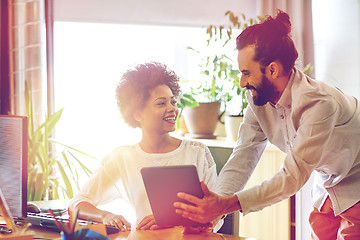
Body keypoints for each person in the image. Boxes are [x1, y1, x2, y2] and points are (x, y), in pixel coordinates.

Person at [174, 10, 360, 239]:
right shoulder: (258, 101)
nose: (242, 82)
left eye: (246, 73)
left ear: (272, 69)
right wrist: (212, 213)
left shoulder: (318, 104)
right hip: (327, 185)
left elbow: (292, 178)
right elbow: (243, 157)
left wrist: (225, 205)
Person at [69, 62, 220, 232]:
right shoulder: (122, 157)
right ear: (138, 114)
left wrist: (177, 223)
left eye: (173, 102)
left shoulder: (197, 152)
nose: (172, 109)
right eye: (161, 104)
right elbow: (77, 204)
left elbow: (216, 212)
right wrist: (106, 216)